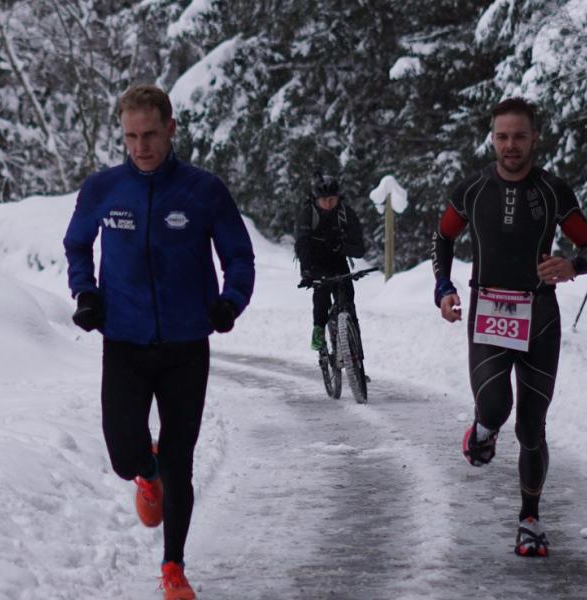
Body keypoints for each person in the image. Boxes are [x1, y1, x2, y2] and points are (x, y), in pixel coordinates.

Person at [63, 84, 255, 599]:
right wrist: (86, 293)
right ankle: (144, 474)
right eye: (130, 136)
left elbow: (239, 257)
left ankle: (173, 568)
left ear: (170, 128)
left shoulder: (203, 190)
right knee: (126, 454)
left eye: (150, 134)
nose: (140, 146)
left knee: (180, 458)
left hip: (186, 345)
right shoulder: (104, 189)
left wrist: (229, 301)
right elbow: (77, 244)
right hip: (124, 341)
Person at [432, 97, 587, 557]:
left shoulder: (552, 191)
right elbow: (444, 235)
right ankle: (483, 430)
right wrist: (443, 286)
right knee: (494, 404)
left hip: (540, 316)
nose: (510, 146)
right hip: (488, 310)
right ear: (493, 138)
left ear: (534, 139)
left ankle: (530, 519)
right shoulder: (472, 189)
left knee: (532, 426)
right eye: (502, 136)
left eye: (519, 136)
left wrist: (572, 265)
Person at [294, 171, 366, 351]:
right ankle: (318, 329)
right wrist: (306, 272)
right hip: (315, 261)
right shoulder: (308, 214)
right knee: (322, 293)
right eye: (324, 200)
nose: (328, 204)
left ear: (338, 198)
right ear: (316, 199)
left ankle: (355, 353)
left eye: (332, 199)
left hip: (338, 261)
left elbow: (359, 248)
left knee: (348, 298)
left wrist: (342, 247)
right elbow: (302, 245)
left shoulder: (346, 214)